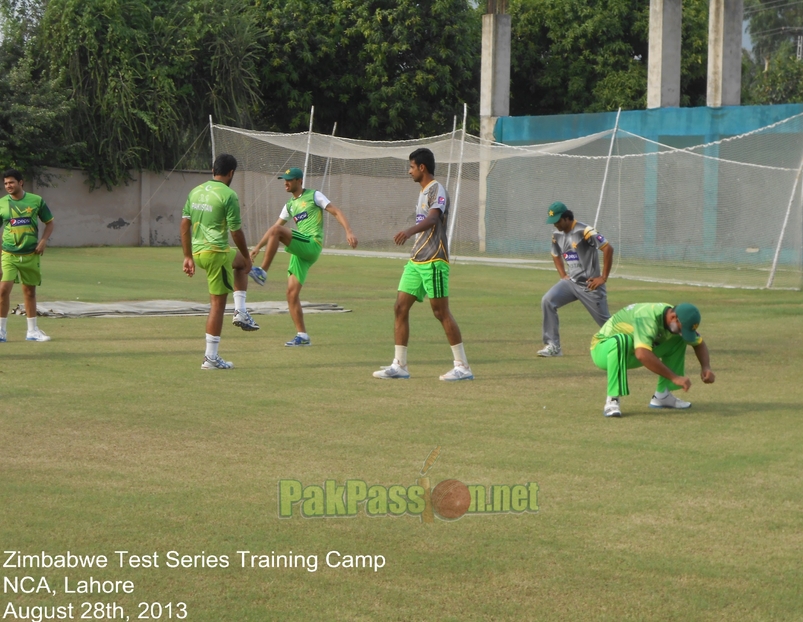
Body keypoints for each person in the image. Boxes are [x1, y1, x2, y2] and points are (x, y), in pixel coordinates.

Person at [373, 148, 473, 381]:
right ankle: (399, 365)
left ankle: (463, 366)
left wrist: (408, 231)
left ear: (422, 167)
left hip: (434, 260)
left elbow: (434, 218)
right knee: (399, 307)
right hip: (416, 260)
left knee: (440, 312)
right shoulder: (422, 192)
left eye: (411, 167)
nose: (409, 172)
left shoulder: (437, 189)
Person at [249, 167, 358, 347]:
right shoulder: (289, 205)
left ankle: (262, 272)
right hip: (302, 251)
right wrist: (258, 247)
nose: (286, 182)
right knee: (291, 294)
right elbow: (273, 228)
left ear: (299, 181)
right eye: (284, 179)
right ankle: (302, 336)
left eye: (289, 179)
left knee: (278, 231)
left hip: (312, 243)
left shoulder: (314, 195)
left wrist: (349, 231)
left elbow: (336, 211)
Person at [181, 153, 259, 370]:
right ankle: (211, 358)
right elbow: (236, 232)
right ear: (231, 173)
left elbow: (184, 225)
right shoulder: (229, 195)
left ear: (213, 169)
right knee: (217, 305)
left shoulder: (195, 191)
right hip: (216, 253)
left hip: (199, 253)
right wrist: (247, 255)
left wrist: (187, 256)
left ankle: (241, 311)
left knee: (240, 264)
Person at [590, 302, 716, 417]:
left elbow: (699, 343)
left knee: (678, 339)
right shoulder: (647, 317)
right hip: (603, 351)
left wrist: (706, 367)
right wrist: (675, 377)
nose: (682, 332)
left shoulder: (675, 316)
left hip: (630, 353)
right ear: (673, 318)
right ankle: (612, 400)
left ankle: (663, 395)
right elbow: (642, 354)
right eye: (682, 328)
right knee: (622, 340)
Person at [539, 201, 613, 357]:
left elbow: (607, 248)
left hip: (590, 286)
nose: (556, 225)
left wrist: (603, 277)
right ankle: (553, 346)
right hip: (571, 283)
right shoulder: (557, 235)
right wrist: (563, 276)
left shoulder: (584, 231)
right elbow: (555, 254)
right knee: (547, 301)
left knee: (608, 325)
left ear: (567, 218)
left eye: (558, 221)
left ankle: (637, 342)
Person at [0, 169, 55, 342]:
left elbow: (50, 222)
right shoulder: (2, 203)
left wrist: (44, 241)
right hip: (9, 253)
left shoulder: (36, 200)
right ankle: (1, 331)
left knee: (29, 291)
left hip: (31, 254)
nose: (8, 186)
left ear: (21, 182)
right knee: (2, 291)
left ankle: (32, 331)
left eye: (11, 182)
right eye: (6, 183)